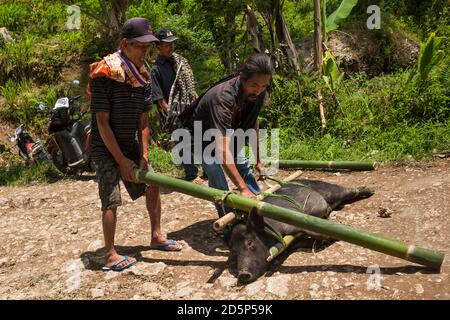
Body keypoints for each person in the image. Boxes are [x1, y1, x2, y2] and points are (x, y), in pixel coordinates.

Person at [88, 17, 182, 272]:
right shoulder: (105, 73)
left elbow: (143, 121)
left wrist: (143, 155)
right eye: (140, 46)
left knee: (151, 183)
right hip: (104, 145)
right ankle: (109, 254)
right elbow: (102, 123)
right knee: (111, 196)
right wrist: (120, 161)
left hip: (129, 143)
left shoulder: (142, 76)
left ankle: (156, 236)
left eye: (148, 46)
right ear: (125, 44)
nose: (145, 51)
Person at [191, 53, 273, 218]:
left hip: (231, 130)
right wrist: (241, 188)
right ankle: (227, 216)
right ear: (242, 77)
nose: (258, 90)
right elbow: (221, 150)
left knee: (242, 164)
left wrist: (258, 160)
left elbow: (253, 122)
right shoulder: (223, 98)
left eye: (264, 86)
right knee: (216, 175)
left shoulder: (258, 91)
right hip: (203, 136)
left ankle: (256, 205)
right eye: (254, 85)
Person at [151, 28, 204, 183]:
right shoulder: (156, 70)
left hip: (189, 105)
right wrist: (170, 112)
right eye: (167, 44)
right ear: (158, 46)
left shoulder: (181, 62)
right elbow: (159, 97)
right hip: (174, 111)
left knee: (201, 136)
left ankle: (208, 169)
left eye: (172, 43)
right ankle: (191, 174)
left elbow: (190, 86)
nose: (171, 47)